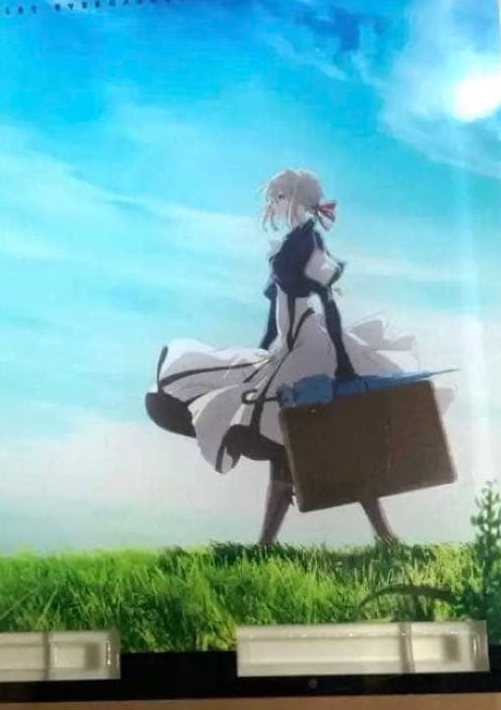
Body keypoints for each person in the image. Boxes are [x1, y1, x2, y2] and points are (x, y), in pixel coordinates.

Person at [145, 168, 418, 544]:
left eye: (279, 197)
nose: (272, 205)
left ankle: (380, 535)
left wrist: (343, 363)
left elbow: (328, 305)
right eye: (273, 198)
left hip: (311, 347)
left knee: (309, 433)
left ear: (296, 201)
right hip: (289, 347)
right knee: (282, 438)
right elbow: (275, 311)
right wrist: (262, 351)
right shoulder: (288, 244)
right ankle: (274, 543)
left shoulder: (309, 243)